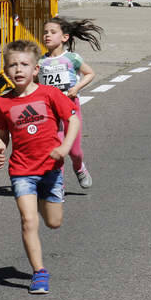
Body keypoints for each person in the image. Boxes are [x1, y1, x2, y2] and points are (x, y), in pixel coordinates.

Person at [0, 40, 81, 294]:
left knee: (53, 222)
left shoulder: (50, 94)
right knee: (28, 220)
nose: (18, 69)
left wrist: (64, 148)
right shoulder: (3, 103)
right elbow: (2, 134)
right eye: (13, 65)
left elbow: (72, 121)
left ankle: (44, 200)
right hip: (22, 170)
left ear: (35, 69)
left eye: (24, 64)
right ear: (6, 70)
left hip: (51, 168)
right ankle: (39, 273)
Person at [37, 16, 102, 188]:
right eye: (45, 32)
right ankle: (58, 186)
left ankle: (79, 167)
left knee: (74, 151)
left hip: (71, 108)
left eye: (52, 32)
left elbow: (90, 73)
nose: (47, 35)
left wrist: (76, 88)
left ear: (64, 37)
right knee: (57, 149)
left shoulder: (72, 58)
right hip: (50, 111)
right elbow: (34, 83)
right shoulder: (40, 62)